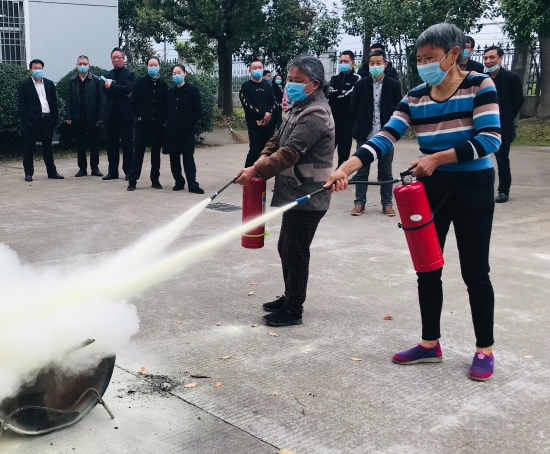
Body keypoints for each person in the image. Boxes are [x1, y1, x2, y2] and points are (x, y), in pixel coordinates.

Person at [326, 23, 502, 381]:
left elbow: (490, 139)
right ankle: (429, 343)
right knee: (427, 267)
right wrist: (348, 166)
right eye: (419, 59)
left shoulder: (480, 85)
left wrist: (436, 158)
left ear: (453, 54)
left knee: (475, 271)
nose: (424, 65)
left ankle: (484, 348)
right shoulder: (415, 96)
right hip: (430, 189)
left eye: (430, 58)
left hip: (473, 186)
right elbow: (386, 135)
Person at [236, 56, 334, 327]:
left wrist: (256, 170)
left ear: (314, 84)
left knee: (295, 251)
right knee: (286, 247)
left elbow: (290, 152)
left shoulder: (316, 113)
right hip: (294, 191)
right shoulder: (298, 107)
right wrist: (259, 161)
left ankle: (293, 309)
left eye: (297, 80)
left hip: (310, 193)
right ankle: (289, 296)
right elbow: (277, 138)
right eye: (289, 79)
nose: (290, 84)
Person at [349, 49, 402, 217]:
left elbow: (399, 109)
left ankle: (387, 204)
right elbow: (353, 108)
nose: (375, 66)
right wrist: (361, 123)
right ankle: (359, 203)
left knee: (385, 171)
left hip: (386, 135)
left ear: (385, 65)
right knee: (361, 170)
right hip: (365, 133)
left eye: (378, 63)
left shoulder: (394, 85)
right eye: (372, 63)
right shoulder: (360, 85)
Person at [483, 45, 524, 203]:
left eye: (492, 57)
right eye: (485, 58)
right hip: (482, 126)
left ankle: (503, 191)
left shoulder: (511, 78)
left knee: (502, 161)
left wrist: (506, 116)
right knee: (479, 159)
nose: (488, 61)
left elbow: (518, 101)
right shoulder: (482, 79)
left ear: (501, 58)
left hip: (502, 127)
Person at [17, 59, 64, 182]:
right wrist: (25, 119)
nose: (37, 70)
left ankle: (52, 172)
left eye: (40, 68)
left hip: (47, 119)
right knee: (29, 147)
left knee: (47, 147)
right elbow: (21, 105)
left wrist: (54, 118)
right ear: (30, 70)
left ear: (43, 69)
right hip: (32, 120)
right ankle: (28, 173)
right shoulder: (24, 84)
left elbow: (54, 102)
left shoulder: (49, 83)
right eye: (35, 68)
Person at [127, 57, 167, 191]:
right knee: (138, 154)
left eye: (155, 65)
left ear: (159, 66)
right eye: (151, 65)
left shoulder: (163, 84)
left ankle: (155, 180)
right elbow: (133, 102)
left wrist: (163, 119)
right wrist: (139, 115)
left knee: (156, 154)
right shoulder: (140, 83)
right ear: (146, 67)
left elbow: (166, 105)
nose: (153, 67)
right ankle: (132, 181)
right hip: (143, 124)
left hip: (158, 125)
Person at [163, 64, 204, 194]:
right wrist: (167, 123)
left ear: (185, 74)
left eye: (179, 72)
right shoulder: (169, 93)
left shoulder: (192, 91)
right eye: (174, 73)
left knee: (188, 159)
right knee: (174, 159)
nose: (177, 75)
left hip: (186, 131)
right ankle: (179, 182)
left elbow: (197, 111)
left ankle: (193, 184)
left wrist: (189, 124)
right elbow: (165, 111)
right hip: (171, 131)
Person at [65, 55, 104, 177]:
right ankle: (82, 168)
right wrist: (68, 115)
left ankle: (95, 168)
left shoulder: (96, 80)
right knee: (80, 144)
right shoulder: (72, 80)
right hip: (78, 117)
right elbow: (69, 100)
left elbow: (101, 99)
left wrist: (100, 116)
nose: (82, 66)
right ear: (77, 65)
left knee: (94, 144)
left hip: (93, 117)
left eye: (85, 64)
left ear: (89, 65)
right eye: (80, 64)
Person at [102, 47, 135, 181]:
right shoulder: (107, 74)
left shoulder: (129, 74)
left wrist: (112, 87)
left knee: (127, 144)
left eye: (118, 57)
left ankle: (128, 171)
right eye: (113, 58)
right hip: (111, 114)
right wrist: (119, 90)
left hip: (125, 114)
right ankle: (112, 172)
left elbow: (128, 88)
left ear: (123, 59)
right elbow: (105, 91)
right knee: (111, 144)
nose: (116, 60)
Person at [239, 59, 277, 167]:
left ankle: (262, 172)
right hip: (254, 123)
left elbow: (273, 101)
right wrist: (262, 114)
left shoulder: (267, 85)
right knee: (255, 149)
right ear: (250, 70)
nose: (257, 70)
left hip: (268, 122)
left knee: (267, 149)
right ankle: (247, 172)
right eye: (254, 68)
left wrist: (268, 114)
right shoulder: (246, 86)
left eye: (260, 67)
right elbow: (247, 104)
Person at [327, 50, 361, 167]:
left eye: (345, 61)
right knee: (326, 153)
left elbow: (348, 97)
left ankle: (340, 174)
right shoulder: (334, 78)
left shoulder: (357, 79)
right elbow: (327, 93)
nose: (342, 63)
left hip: (347, 122)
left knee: (343, 155)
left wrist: (335, 93)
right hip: (332, 121)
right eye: (341, 61)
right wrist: (340, 91)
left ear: (352, 63)